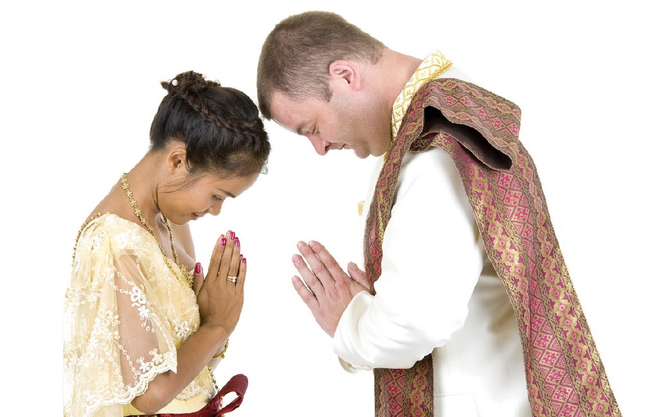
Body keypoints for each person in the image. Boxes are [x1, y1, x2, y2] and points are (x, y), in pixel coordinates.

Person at [257, 11, 619, 417]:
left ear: (345, 75)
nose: (320, 147)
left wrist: (348, 321)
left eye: (311, 127)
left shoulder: (433, 151)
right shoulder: (454, 111)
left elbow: (415, 322)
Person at [63, 71, 270, 417]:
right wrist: (217, 325)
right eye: (217, 195)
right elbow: (149, 393)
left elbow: (189, 375)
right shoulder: (114, 242)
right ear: (177, 160)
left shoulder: (171, 220)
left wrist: (212, 318)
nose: (216, 210)